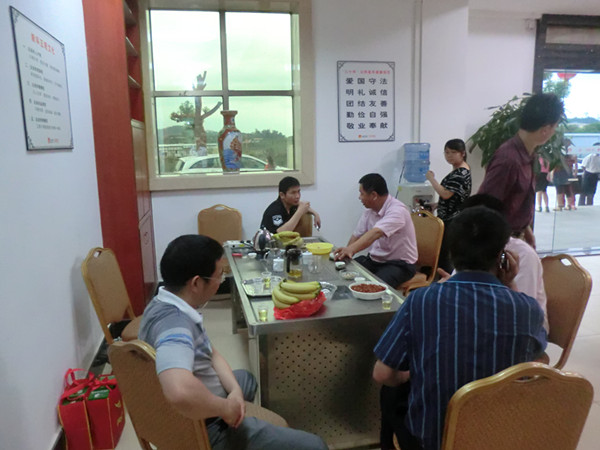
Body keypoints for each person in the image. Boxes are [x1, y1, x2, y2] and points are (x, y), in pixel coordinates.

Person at [372, 206, 547, 450]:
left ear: (451, 252)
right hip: (498, 438)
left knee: (392, 392)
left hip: (432, 440)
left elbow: (382, 374)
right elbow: (537, 357)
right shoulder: (527, 309)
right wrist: (511, 285)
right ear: (502, 257)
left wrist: (408, 375)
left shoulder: (421, 300)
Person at [138, 235, 328, 450]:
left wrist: (235, 391)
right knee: (315, 445)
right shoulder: (175, 325)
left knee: (245, 380)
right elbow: (179, 391)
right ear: (196, 283)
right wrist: (225, 408)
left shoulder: (161, 302)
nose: (221, 280)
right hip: (204, 426)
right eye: (219, 275)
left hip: (187, 406)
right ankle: (232, 433)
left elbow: (211, 353)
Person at [478, 93, 564, 247]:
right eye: (555, 126)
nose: (554, 131)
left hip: (514, 239)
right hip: (499, 244)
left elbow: (517, 202)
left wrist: (526, 230)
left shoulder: (528, 154)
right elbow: (486, 210)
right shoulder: (509, 159)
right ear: (546, 129)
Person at [457, 194, 549, 332]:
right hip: (479, 320)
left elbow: (523, 312)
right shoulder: (468, 246)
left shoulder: (522, 255)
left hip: (523, 328)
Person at [334, 173, 418, 287]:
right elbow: (357, 235)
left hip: (399, 265)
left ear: (373, 195)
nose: (359, 197)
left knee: (373, 287)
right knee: (344, 272)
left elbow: (376, 233)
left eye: (362, 193)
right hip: (375, 261)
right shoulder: (369, 211)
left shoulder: (398, 211)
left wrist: (351, 249)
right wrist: (346, 254)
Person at [425, 138, 471, 273]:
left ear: (462, 153)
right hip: (448, 217)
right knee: (443, 253)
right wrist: (437, 205)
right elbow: (455, 197)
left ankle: (446, 279)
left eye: (453, 152)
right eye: (446, 152)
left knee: (446, 255)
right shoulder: (457, 170)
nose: (449, 156)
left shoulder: (461, 173)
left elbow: (446, 194)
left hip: (453, 220)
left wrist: (431, 179)